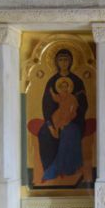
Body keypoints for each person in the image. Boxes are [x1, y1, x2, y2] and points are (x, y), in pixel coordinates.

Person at [37, 48, 87, 181]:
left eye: (66, 60)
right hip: (54, 120)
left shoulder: (77, 81)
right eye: (60, 60)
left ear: (71, 62)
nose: (63, 63)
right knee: (43, 133)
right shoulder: (51, 81)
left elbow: (83, 105)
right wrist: (50, 126)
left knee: (69, 132)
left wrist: (71, 116)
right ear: (56, 62)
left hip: (74, 120)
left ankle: (68, 169)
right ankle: (49, 170)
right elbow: (46, 105)